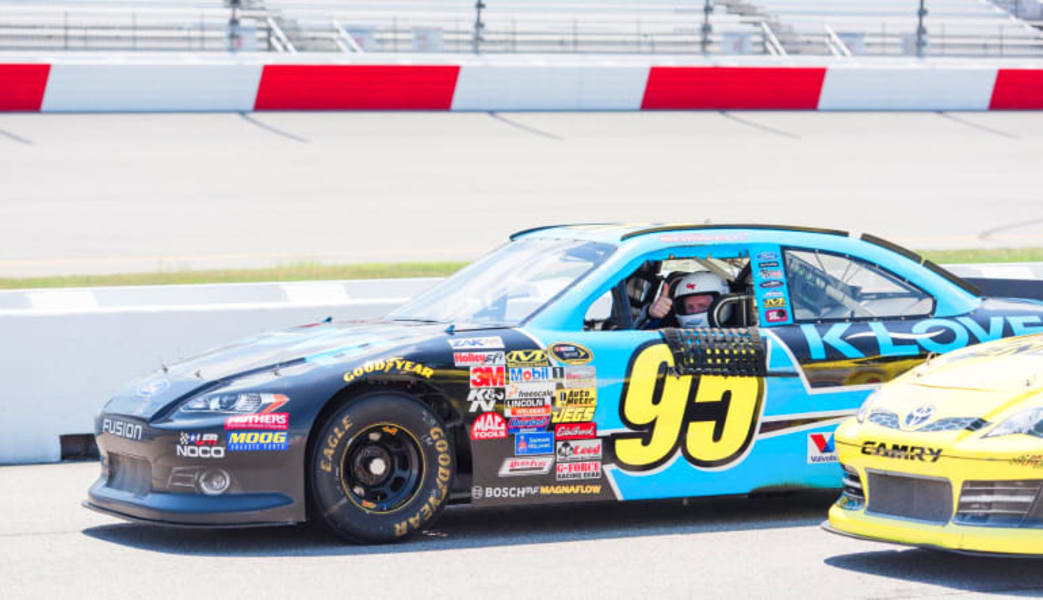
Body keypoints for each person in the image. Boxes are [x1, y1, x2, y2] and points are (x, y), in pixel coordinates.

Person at [637, 270, 730, 329]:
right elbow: (635, 336)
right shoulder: (669, 328)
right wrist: (649, 313)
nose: (695, 311)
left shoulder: (737, 334)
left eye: (702, 306)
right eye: (689, 307)